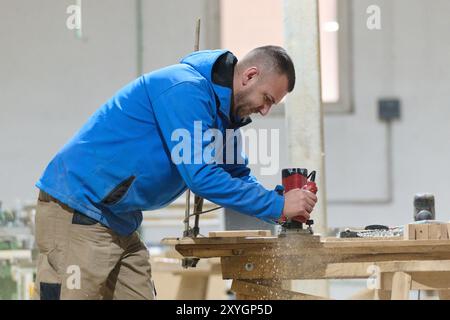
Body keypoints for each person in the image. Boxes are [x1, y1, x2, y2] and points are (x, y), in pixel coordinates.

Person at [33, 45, 318, 300]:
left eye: (272, 105)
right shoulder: (186, 90)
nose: (265, 111)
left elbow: (236, 174)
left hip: (120, 220)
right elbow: (201, 176)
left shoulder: (226, 115)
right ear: (249, 75)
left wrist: (280, 203)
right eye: (267, 98)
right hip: (80, 209)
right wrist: (278, 205)